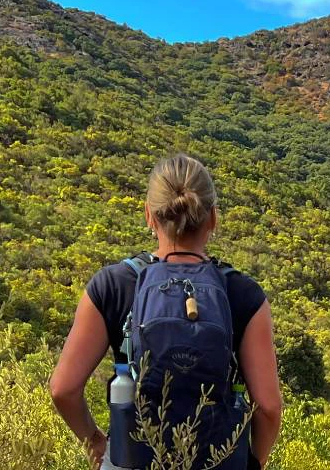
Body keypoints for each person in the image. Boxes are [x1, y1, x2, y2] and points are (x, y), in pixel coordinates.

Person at [50, 153, 282, 469]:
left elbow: (63, 389)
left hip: (130, 460)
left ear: (149, 215)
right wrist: (254, 461)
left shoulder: (113, 285)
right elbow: (268, 407)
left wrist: (95, 441)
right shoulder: (243, 294)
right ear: (213, 218)